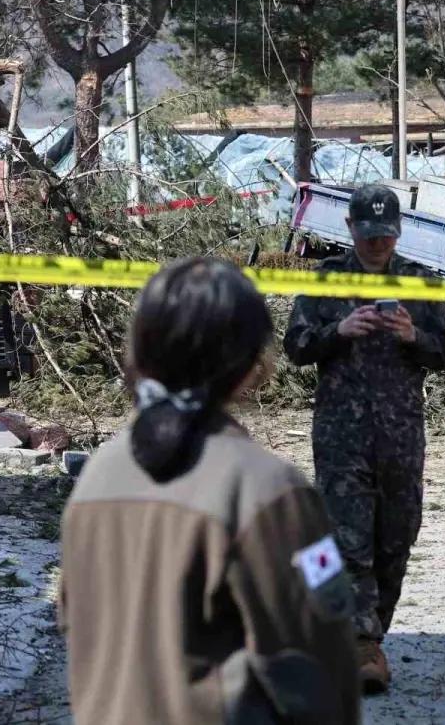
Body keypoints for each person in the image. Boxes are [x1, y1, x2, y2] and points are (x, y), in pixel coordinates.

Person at [59, 257, 360, 725]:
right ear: (250, 367)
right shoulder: (268, 490)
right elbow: (321, 664)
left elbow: (76, 625)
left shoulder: (97, 477)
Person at [284, 184, 445, 694]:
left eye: (385, 234)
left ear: (397, 231)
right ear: (351, 229)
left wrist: (413, 336)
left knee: (396, 537)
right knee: (348, 536)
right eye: (367, 234)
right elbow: (296, 345)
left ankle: (369, 633)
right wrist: (340, 329)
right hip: (342, 431)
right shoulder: (328, 279)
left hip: (401, 433)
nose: (377, 243)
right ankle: (360, 644)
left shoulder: (420, 282)